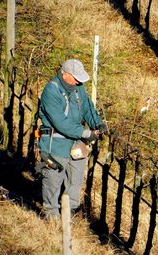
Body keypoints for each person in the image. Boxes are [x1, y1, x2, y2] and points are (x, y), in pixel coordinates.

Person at [38, 58, 107, 218]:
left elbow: (87, 109)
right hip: (54, 145)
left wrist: (98, 124)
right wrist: (86, 133)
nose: (78, 81)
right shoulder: (51, 91)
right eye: (76, 78)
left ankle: (70, 219)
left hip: (77, 144)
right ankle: (52, 221)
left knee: (75, 183)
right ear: (64, 74)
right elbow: (61, 123)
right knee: (52, 183)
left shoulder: (79, 88)